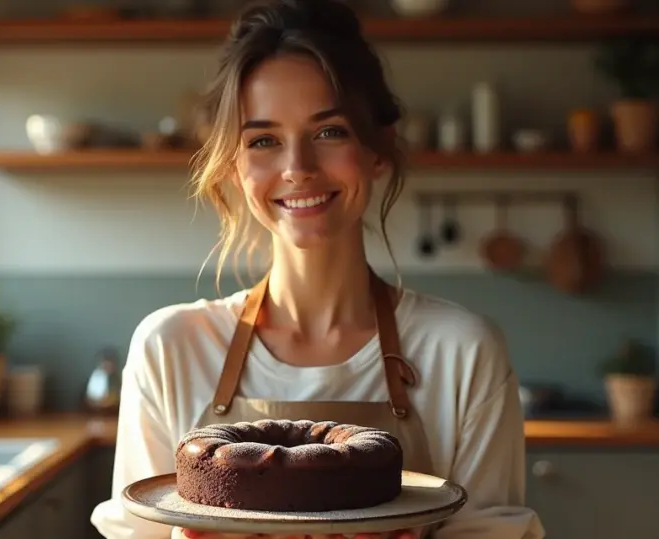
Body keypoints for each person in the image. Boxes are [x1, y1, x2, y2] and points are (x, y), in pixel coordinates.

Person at [90, 0, 545, 537]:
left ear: (379, 149)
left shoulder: (461, 353)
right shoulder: (173, 348)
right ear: (234, 168)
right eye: (263, 140)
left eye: (329, 132)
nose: (297, 168)